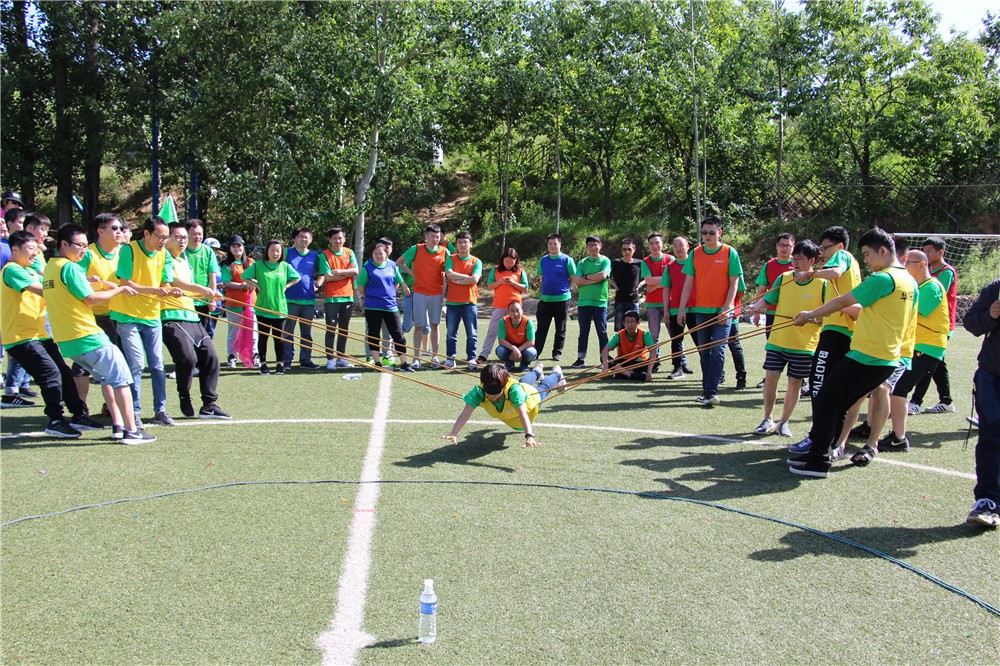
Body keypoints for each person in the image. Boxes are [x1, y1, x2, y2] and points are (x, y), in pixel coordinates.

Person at [788, 228, 918, 478]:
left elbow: (843, 301)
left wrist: (810, 314)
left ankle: (818, 462)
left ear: (883, 250)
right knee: (837, 404)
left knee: (826, 400)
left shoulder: (883, 279)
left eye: (868, 254)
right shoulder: (909, 282)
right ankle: (820, 451)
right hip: (887, 358)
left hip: (867, 356)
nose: (866, 260)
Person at [42, 225, 154, 444]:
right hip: (87, 335)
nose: (84, 250)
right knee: (121, 380)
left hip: (68, 340)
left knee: (108, 379)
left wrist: (91, 281)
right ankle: (131, 431)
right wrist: (120, 290)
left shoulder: (51, 267)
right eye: (79, 246)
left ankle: (118, 426)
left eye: (86, 245)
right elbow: (90, 299)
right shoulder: (70, 268)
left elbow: (68, 291)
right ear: (64, 244)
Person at [1, 231, 104, 437]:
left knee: (63, 373)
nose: (35, 253)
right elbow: (47, 290)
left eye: (36, 248)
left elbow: (53, 282)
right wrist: (78, 286)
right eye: (30, 248)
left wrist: (81, 280)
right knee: (50, 374)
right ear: (15, 250)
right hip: (21, 337)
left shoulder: (30, 269)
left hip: (39, 334)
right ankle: (55, 419)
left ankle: (78, 414)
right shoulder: (12, 270)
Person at [861, 250, 949, 459]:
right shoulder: (916, 287)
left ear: (921, 265)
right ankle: (879, 429)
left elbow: (912, 313)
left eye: (908, 262)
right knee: (890, 388)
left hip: (927, 346)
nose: (904, 265)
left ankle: (899, 438)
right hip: (916, 345)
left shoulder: (932, 287)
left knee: (898, 390)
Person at [787, 226, 863, 455]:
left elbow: (835, 272)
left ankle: (818, 439)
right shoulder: (854, 263)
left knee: (819, 384)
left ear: (839, 245)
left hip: (838, 332)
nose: (823, 253)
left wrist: (810, 273)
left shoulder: (842, 256)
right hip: (840, 329)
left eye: (825, 248)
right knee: (832, 388)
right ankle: (830, 440)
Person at [746, 240, 826, 438]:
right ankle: (767, 419)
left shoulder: (823, 283)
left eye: (800, 259)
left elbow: (827, 314)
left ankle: (784, 422)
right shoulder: (784, 278)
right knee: (771, 378)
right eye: (794, 258)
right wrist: (756, 306)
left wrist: (812, 318)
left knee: (794, 382)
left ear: (812, 260)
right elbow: (769, 299)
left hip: (804, 345)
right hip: (778, 340)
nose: (795, 262)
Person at [111, 215, 181, 428]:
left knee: (158, 365)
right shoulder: (129, 250)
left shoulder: (164, 255)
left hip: (152, 316)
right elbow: (126, 282)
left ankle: (160, 410)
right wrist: (157, 290)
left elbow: (165, 282)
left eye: (166, 237)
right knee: (136, 364)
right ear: (147, 234)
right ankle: (135, 412)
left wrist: (170, 291)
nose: (163, 241)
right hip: (127, 316)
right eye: (160, 237)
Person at [160, 224, 230, 419]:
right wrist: (202, 289)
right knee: (187, 359)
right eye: (178, 237)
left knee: (211, 358)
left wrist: (210, 293)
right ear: (167, 239)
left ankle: (209, 404)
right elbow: (172, 281)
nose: (182, 241)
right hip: (170, 315)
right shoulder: (163, 257)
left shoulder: (184, 260)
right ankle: (184, 395)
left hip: (191, 315)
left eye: (184, 238)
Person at [677, 217, 743, 406]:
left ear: (719, 233)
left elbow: (734, 283)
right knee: (704, 352)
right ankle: (707, 391)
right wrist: (682, 309)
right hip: (700, 310)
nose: (708, 236)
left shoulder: (730, 252)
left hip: (722, 311)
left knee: (718, 350)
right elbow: (688, 283)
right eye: (704, 232)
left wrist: (727, 308)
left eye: (712, 233)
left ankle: (712, 391)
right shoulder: (696, 253)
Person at [443, 361, 565, 448]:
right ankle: (537, 372)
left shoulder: (513, 390)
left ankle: (557, 374)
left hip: (530, 403)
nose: (491, 396)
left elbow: (522, 413)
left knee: (543, 387)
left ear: (503, 385)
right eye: (488, 392)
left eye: (496, 392)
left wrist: (529, 436)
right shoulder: (478, 392)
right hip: (512, 405)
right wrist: (453, 433)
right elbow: (466, 412)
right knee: (522, 381)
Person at [73, 213, 125, 408]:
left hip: (120, 315)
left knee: (119, 362)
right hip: (93, 315)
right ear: (100, 231)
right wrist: (93, 282)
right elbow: (72, 278)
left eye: (121, 228)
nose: (119, 232)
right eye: (114, 228)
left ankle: (110, 407)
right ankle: (80, 409)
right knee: (83, 364)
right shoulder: (88, 254)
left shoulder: (124, 252)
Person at [962, 276, 1000, 527]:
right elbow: (971, 324)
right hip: (991, 376)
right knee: (991, 436)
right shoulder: (995, 289)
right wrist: (991, 316)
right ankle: (987, 500)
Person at [910, 236, 958, 414]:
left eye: (929, 251)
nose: (926, 254)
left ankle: (915, 401)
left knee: (929, 363)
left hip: (940, 326)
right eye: (925, 251)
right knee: (936, 364)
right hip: (927, 327)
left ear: (941, 252)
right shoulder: (926, 272)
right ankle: (946, 401)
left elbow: (936, 297)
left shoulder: (945, 272)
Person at [243, 239, 301, 375]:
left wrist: (286, 287)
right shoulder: (258, 265)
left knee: (279, 339)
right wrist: (256, 286)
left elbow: (297, 277)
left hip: (279, 308)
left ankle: (279, 364)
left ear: (281, 252)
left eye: (278, 251)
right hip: (263, 308)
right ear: (267, 251)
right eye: (272, 250)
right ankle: (263, 365)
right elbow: (244, 276)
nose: (275, 253)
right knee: (263, 338)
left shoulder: (285, 266)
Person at [356, 240, 414, 372]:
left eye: (381, 253)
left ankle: (404, 363)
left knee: (398, 334)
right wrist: (372, 296)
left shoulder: (392, 266)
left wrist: (389, 293)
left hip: (390, 306)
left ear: (386, 254)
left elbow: (398, 281)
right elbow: (360, 287)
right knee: (374, 334)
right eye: (375, 253)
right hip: (373, 307)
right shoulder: (367, 268)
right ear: (372, 255)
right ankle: (377, 362)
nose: (378, 256)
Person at [398, 224, 447, 368]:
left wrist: (445, 289)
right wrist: (413, 274)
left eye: (437, 236)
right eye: (432, 236)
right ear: (426, 236)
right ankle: (416, 359)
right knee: (418, 326)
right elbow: (399, 262)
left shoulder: (445, 251)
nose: (435, 239)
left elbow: (449, 270)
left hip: (436, 294)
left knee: (435, 325)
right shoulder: (416, 249)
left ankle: (435, 357)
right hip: (419, 293)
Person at [752, 233, 796, 387]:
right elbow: (762, 289)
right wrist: (757, 311)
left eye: (788, 245)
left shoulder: (798, 266)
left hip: (792, 315)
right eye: (782, 245)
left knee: (795, 347)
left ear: (793, 247)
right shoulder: (769, 265)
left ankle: (801, 380)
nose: (784, 248)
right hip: (771, 313)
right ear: (776, 247)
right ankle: (768, 378)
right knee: (772, 347)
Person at [477, 246, 529, 365]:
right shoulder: (496, 270)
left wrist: (513, 282)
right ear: (502, 260)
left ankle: (520, 356)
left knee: (516, 332)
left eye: (512, 261)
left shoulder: (520, 271)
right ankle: (483, 355)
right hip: (499, 305)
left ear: (516, 261)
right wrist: (500, 282)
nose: (509, 264)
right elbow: (490, 286)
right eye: (506, 261)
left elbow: (525, 288)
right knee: (493, 330)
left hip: (515, 307)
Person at [283, 227, 321, 369]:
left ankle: (305, 360)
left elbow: (322, 272)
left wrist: (318, 283)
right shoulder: (287, 253)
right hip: (289, 299)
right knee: (287, 332)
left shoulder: (314, 255)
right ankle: (286, 360)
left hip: (308, 299)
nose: (304, 239)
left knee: (306, 333)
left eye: (307, 237)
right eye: (301, 237)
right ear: (294, 239)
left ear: (310, 240)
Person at [535, 233, 576, 361]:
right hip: (545, 300)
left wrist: (564, 289)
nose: (552, 246)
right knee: (541, 327)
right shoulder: (543, 260)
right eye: (550, 244)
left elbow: (573, 278)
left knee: (561, 328)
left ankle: (557, 353)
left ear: (560, 244)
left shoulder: (567, 259)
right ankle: (536, 352)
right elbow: (541, 277)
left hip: (562, 299)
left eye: (555, 243)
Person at [444, 231, 482, 370]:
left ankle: (471, 359)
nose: (462, 245)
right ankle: (450, 358)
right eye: (460, 242)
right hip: (453, 303)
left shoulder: (476, 261)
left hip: (470, 303)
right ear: (456, 245)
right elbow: (449, 274)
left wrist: (457, 280)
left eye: (465, 242)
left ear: (471, 244)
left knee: (472, 333)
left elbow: (474, 279)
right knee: (451, 334)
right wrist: (466, 277)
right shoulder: (451, 258)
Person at [572, 235, 611, 368]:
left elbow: (603, 275)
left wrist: (587, 277)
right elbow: (577, 280)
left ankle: (604, 359)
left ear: (600, 246)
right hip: (584, 302)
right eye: (590, 245)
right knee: (583, 332)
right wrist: (595, 279)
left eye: (595, 244)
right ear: (587, 247)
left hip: (599, 302)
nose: (592, 247)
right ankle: (580, 359)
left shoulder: (605, 260)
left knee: (602, 332)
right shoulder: (582, 263)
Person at [660, 236, 696, 379]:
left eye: (681, 245)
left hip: (694, 308)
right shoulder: (670, 266)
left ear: (688, 246)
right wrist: (666, 310)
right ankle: (677, 367)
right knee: (676, 339)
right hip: (675, 308)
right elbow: (666, 289)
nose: (678, 248)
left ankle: (709, 368)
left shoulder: (695, 263)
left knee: (700, 340)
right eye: (675, 245)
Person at [220, 235, 258, 368]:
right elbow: (226, 282)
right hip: (233, 303)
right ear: (230, 249)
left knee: (253, 332)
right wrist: (243, 285)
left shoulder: (251, 262)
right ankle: (232, 357)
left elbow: (257, 278)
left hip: (251, 303)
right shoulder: (227, 265)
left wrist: (253, 284)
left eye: (239, 246)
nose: (237, 249)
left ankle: (254, 355)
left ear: (243, 247)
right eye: (234, 246)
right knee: (233, 333)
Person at [640, 233, 671, 373]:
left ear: (662, 244)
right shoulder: (645, 261)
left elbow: (673, 279)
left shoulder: (670, 259)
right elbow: (648, 281)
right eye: (651, 243)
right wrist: (662, 282)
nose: (654, 246)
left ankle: (680, 362)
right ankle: (656, 362)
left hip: (669, 303)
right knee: (654, 335)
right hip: (652, 304)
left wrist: (655, 285)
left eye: (657, 243)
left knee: (675, 333)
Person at [184, 220, 221, 338]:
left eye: (200, 234)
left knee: (202, 335)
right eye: (194, 234)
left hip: (203, 300)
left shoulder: (207, 251)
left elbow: (212, 276)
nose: (197, 237)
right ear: (187, 234)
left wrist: (213, 299)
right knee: (187, 336)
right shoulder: (181, 251)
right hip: (185, 301)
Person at [600, 310, 655, 381]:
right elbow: (605, 350)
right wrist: (605, 366)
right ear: (623, 323)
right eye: (627, 322)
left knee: (656, 361)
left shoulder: (645, 334)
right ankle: (631, 375)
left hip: (638, 362)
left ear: (638, 323)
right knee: (604, 357)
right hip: (623, 362)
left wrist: (649, 371)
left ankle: (621, 373)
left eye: (632, 322)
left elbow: (653, 351)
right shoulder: (619, 335)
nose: (629, 325)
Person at [610, 238, 643, 331]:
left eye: (629, 249)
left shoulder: (640, 263)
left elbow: (647, 277)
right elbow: (605, 275)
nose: (627, 252)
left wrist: (641, 284)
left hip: (634, 300)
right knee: (619, 330)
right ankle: (620, 346)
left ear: (634, 250)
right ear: (621, 250)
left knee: (634, 329)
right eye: (624, 249)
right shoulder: (615, 263)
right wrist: (613, 284)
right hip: (620, 300)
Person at [495, 300, 537, 371]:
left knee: (531, 353)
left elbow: (531, 342)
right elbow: (501, 340)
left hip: (524, 348)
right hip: (509, 348)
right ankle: (509, 363)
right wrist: (513, 348)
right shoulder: (503, 321)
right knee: (500, 350)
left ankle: (524, 364)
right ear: (508, 312)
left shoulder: (528, 322)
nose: (516, 313)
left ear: (522, 311)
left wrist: (518, 350)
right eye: (512, 311)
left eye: (518, 310)